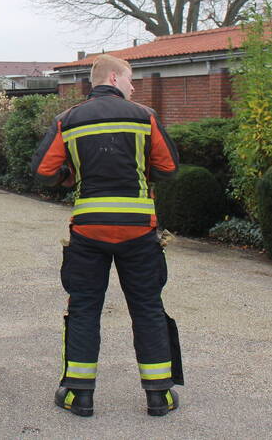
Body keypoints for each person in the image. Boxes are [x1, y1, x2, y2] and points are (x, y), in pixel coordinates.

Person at [31, 54, 181, 418]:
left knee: (84, 308)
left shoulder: (67, 120)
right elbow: (169, 168)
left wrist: (69, 175)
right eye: (131, 80)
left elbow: (42, 171)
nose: (134, 87)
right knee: (146, 307)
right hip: (139, 230)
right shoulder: (145, 116)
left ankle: (78, 396)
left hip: (88, 229)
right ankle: (159, 395)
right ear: (114, 78)